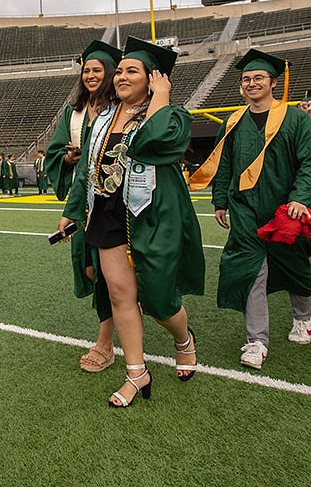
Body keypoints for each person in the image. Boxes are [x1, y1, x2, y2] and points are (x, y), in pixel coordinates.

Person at [58, 37, 205, 407]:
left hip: (153, 215)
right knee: (121, 295)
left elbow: (154, 141)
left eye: (131, 71)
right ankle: (136, 373)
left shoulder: (173, 115)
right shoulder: (103, 117)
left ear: (153, 78)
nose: (121, 76)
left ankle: (183, 339)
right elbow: (87, 173)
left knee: (157, 297)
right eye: (120, 71)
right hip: (108, 214)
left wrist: (161, 96)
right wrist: (73, 210)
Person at [190, 49, 311, 367]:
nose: (252, 82)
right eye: (246, 79)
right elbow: (223, 164)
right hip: (244, 208)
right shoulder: (234, 121)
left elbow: (308, 162)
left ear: (272, 82)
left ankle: (303, 317)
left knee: (294, 264)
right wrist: (220, 201)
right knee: (251, 269)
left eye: (258, 77)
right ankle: (256, 341)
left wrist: (301, 197)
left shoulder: (295, 118)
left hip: (285, 208)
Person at [46, 40, 120, 372]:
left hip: (113, 199)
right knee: (91, 269)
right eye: (86, 70)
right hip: (83, 198)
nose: (90, 75)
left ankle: (105, 343)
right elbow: (55, 152)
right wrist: (67, 155)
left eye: (97, 70)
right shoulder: (73, 113)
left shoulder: (119, 109)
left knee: (111, 273)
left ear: (109, 74)